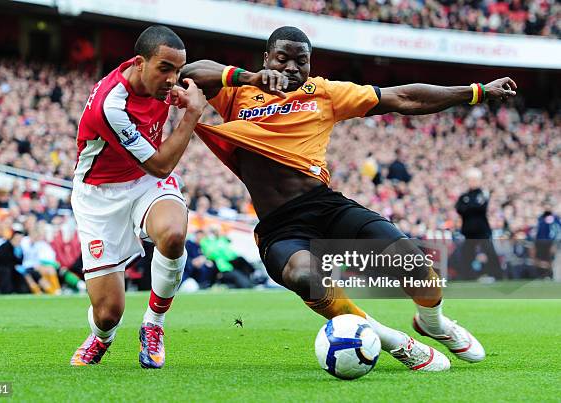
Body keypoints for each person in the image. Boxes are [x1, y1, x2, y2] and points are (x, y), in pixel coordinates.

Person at [182, 26, 518, 371]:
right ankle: (394, 341)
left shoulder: (324, 92)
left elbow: (402, 98)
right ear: (267, 58)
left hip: (327, 207)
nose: (292, 68)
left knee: (417, 267)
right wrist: (249, 78)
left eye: (302, 61)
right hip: (281, 227)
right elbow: (189, 73)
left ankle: (432, 322)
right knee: (303, 276)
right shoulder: (237, 92)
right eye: (283, 59)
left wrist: (475, 92)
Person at [70, 26, 207, 369]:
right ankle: (102, 338)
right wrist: (191, 113)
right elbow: (161, 164)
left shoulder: (159, 79)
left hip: (144, 182)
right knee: (107, 313)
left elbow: (205, 71)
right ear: (138, 62)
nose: (173, 79)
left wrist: (250, 76)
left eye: (178, 71)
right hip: (99, 196)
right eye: (166, 69)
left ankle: (154, 325)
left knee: (174, 234)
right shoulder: (110, 105)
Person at [455, 167, 503, 280]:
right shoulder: (464, 196)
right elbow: (460, 209)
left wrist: (469, 207)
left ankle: (497, 275)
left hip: (482, 230)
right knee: (467, 255)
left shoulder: (482, 194)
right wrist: (472, 206)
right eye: (470, 180)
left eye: (474, 180)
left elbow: (480, 208)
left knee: (490, 253)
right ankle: (466, 277)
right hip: (468, 231)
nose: (472, 182)